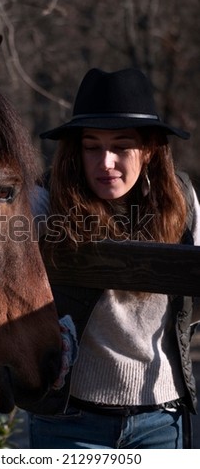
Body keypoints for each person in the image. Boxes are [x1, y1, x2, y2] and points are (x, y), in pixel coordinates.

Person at [29, 68, 200, 449]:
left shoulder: (184, 203)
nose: (105, 162)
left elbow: (193, 305)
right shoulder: (44, 202)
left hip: (161, 419)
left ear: (150, 149)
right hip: (70, 421)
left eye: (121, 147)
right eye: (92, 146)